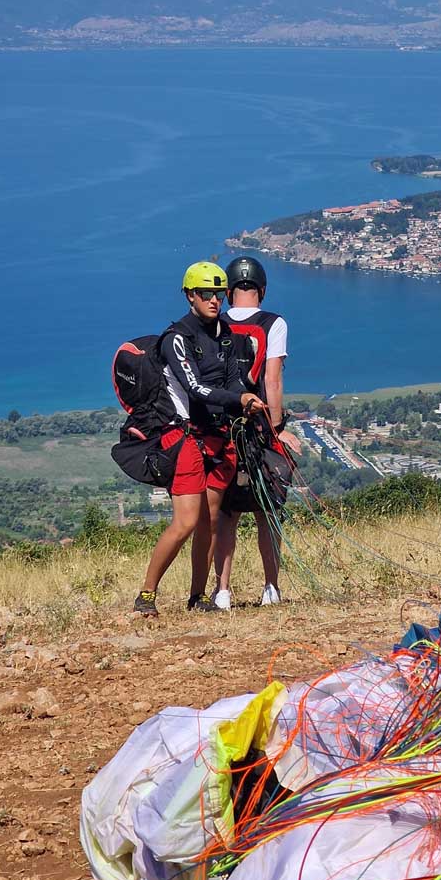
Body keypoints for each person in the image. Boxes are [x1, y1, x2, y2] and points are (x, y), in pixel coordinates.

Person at [133, 261, 263, 617]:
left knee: (209, 518)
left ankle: (198, 596)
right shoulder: (177, 338)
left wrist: (245, 400)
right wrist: (238, 399)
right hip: (185, 436)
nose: (214, 300)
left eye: (219, 294)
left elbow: (234, 379)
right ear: (190, 295)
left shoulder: (227, 334)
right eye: (206, 294)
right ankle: (146, 594)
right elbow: (195, 387)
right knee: (187, 521)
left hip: (220, 437)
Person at [211, 255, 302, 609]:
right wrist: (277, 427)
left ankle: (222, 591)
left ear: (229, 291)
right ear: (261, 290)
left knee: (226, 514)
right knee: (268, 510)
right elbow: (272, 379)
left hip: (222, 427)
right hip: (261, 427)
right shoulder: (272, 324)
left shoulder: (213, 323)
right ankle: (271, 587)